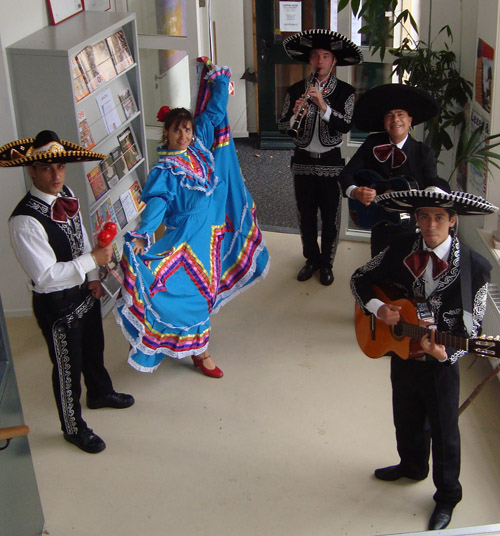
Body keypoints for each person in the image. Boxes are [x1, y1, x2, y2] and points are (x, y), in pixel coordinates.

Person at [350, 185, 497, 530]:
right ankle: (411, 466)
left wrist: (446, 353)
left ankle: (447, 495)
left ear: (453, 220)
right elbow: (360, 278)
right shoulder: (400, 247)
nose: (431, 225)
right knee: (406, 415)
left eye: (439, 217)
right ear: (416, 218)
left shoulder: (475, 268)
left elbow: (472, 330)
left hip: (441, 362)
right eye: (425, 217)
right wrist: (379, 307)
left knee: (445, 430)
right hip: (401, 352)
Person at [114, 58, 269, 376]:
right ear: (166, 134)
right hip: (184, 241)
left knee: (206, 293)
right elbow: (156, 204)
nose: (184, 134)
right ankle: (194, 350)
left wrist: (218, 79)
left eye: (186, 128)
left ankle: (194, 347)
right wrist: (144, 233)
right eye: (177, 130)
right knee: (186, 295)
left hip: (211, 236)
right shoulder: (165, 170)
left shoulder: (199, 147)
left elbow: (213, 113)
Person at [3, 130, 134, 454]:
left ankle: (100, 392)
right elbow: (46, 277)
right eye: (47, 168)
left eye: (60, 166)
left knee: (93, 348)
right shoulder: (25, 221)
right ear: (32, 170)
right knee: (67, 367)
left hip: (82, 293)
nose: (56, 174)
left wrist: (92, 275)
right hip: (57, 305)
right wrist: (92, 260)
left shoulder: (68, 195)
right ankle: (73, 426)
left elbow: (79, 239)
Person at [278, 29, 362, 285]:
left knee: (330, 216)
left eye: (326, 56)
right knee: (305, 215)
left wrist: (324, 106)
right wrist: (295, 114)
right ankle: (311, 258)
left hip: (330, 161)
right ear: (310, 60)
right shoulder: (295, 90)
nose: (320, 61)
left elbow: (345, 125)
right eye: (315, 56)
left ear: (334, 61)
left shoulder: (345, 92)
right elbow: (282, 125)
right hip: (303, 160)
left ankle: (326, 262)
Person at [340, 83, 440, 257]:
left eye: (400, 114)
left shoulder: (424, 152)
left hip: (411, 228)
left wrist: (434, 193)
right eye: (389, 115)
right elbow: (346, 174)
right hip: (380, 224)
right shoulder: (372, 143)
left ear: (410, 120)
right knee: (378, 270)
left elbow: (432, 182)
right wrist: (355, 192)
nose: (395, 120)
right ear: (384, 122)